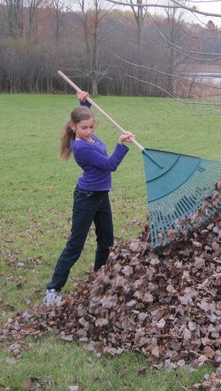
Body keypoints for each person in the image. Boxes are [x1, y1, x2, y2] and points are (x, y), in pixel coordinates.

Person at [44, 90, 135, 305]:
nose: (88, 131)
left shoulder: (88, 135)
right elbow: (109, 165)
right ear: (72, 127)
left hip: (101, 196)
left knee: (106, 241)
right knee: (75, 245)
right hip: (86, 198)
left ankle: (100, 280)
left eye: (91, 127)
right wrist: (121, 144)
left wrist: (84, 103)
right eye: (84, 128)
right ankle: (53, 290)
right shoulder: (81, 147)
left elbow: (84, 116)